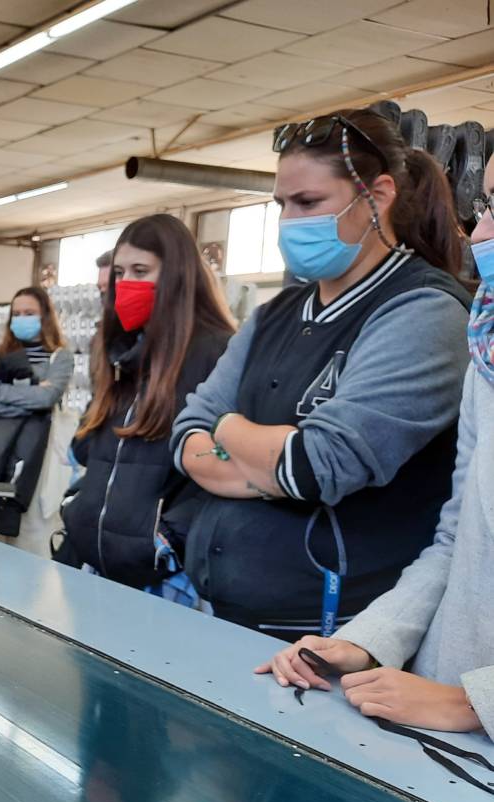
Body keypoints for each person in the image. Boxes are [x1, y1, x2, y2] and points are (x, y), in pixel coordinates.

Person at [171, 109, 470, 641]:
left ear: (376, 196)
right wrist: (269, 460)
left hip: (331, 635)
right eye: (281, 205)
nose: (289, 221)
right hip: (220, 608)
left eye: (308, 203)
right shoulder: (274, 314)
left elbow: (319, 467)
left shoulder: (422, 311)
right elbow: (186, 430)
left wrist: (227, 431)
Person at [255, 162, 494, 735]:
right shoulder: (484, 362)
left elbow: (322, 462)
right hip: (439, 715)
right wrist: (366, 640)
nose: (480, 235)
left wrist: (474, 703)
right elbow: (456, 541)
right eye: (484, 207)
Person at [59, 215, 235, 595]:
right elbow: (99, 447)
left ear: (175, 275)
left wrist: (168, 540)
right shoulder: (122, 352)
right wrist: (80, 508)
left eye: (141, 271)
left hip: (168, 577)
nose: (126, 284)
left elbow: (227, 466)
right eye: (120, 273)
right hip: (99, 560)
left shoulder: (215, 351)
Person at [0, 286, 74, 541]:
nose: (22, 318)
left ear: (45, 315)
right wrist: (31, 398)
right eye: (17, 313)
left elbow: (48, 398)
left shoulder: (60, 356)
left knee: (32, 529)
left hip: (38, 451)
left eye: (29, 312)